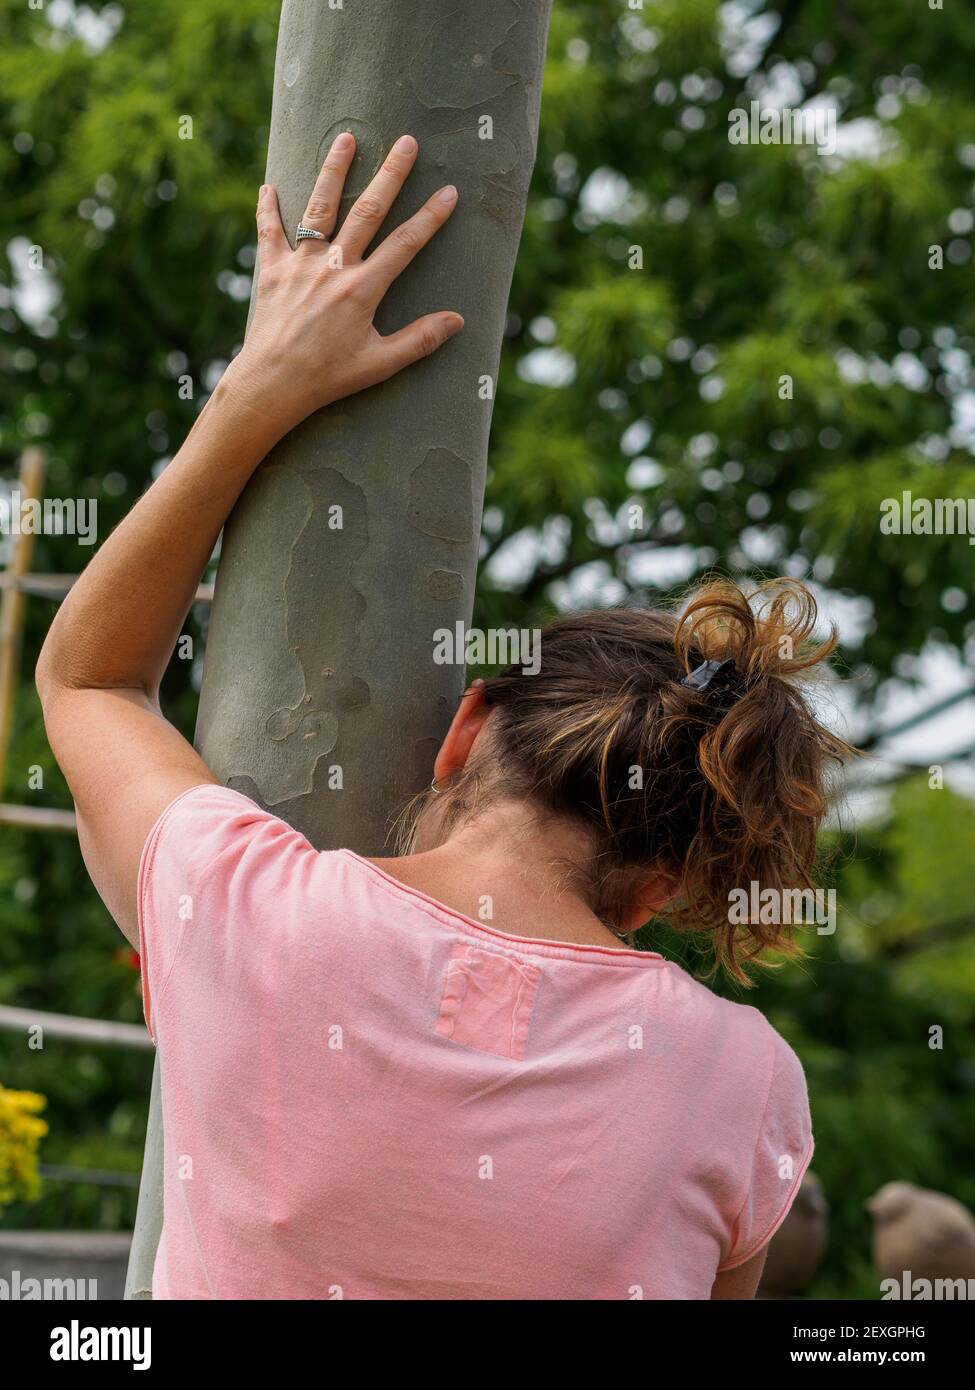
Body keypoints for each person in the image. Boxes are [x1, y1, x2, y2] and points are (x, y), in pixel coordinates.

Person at [36, 134, 848, 1300]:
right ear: (665, 882)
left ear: (468, 727)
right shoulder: (740, 1081)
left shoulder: (247, 914)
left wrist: (258, 386)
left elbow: (92, 677)